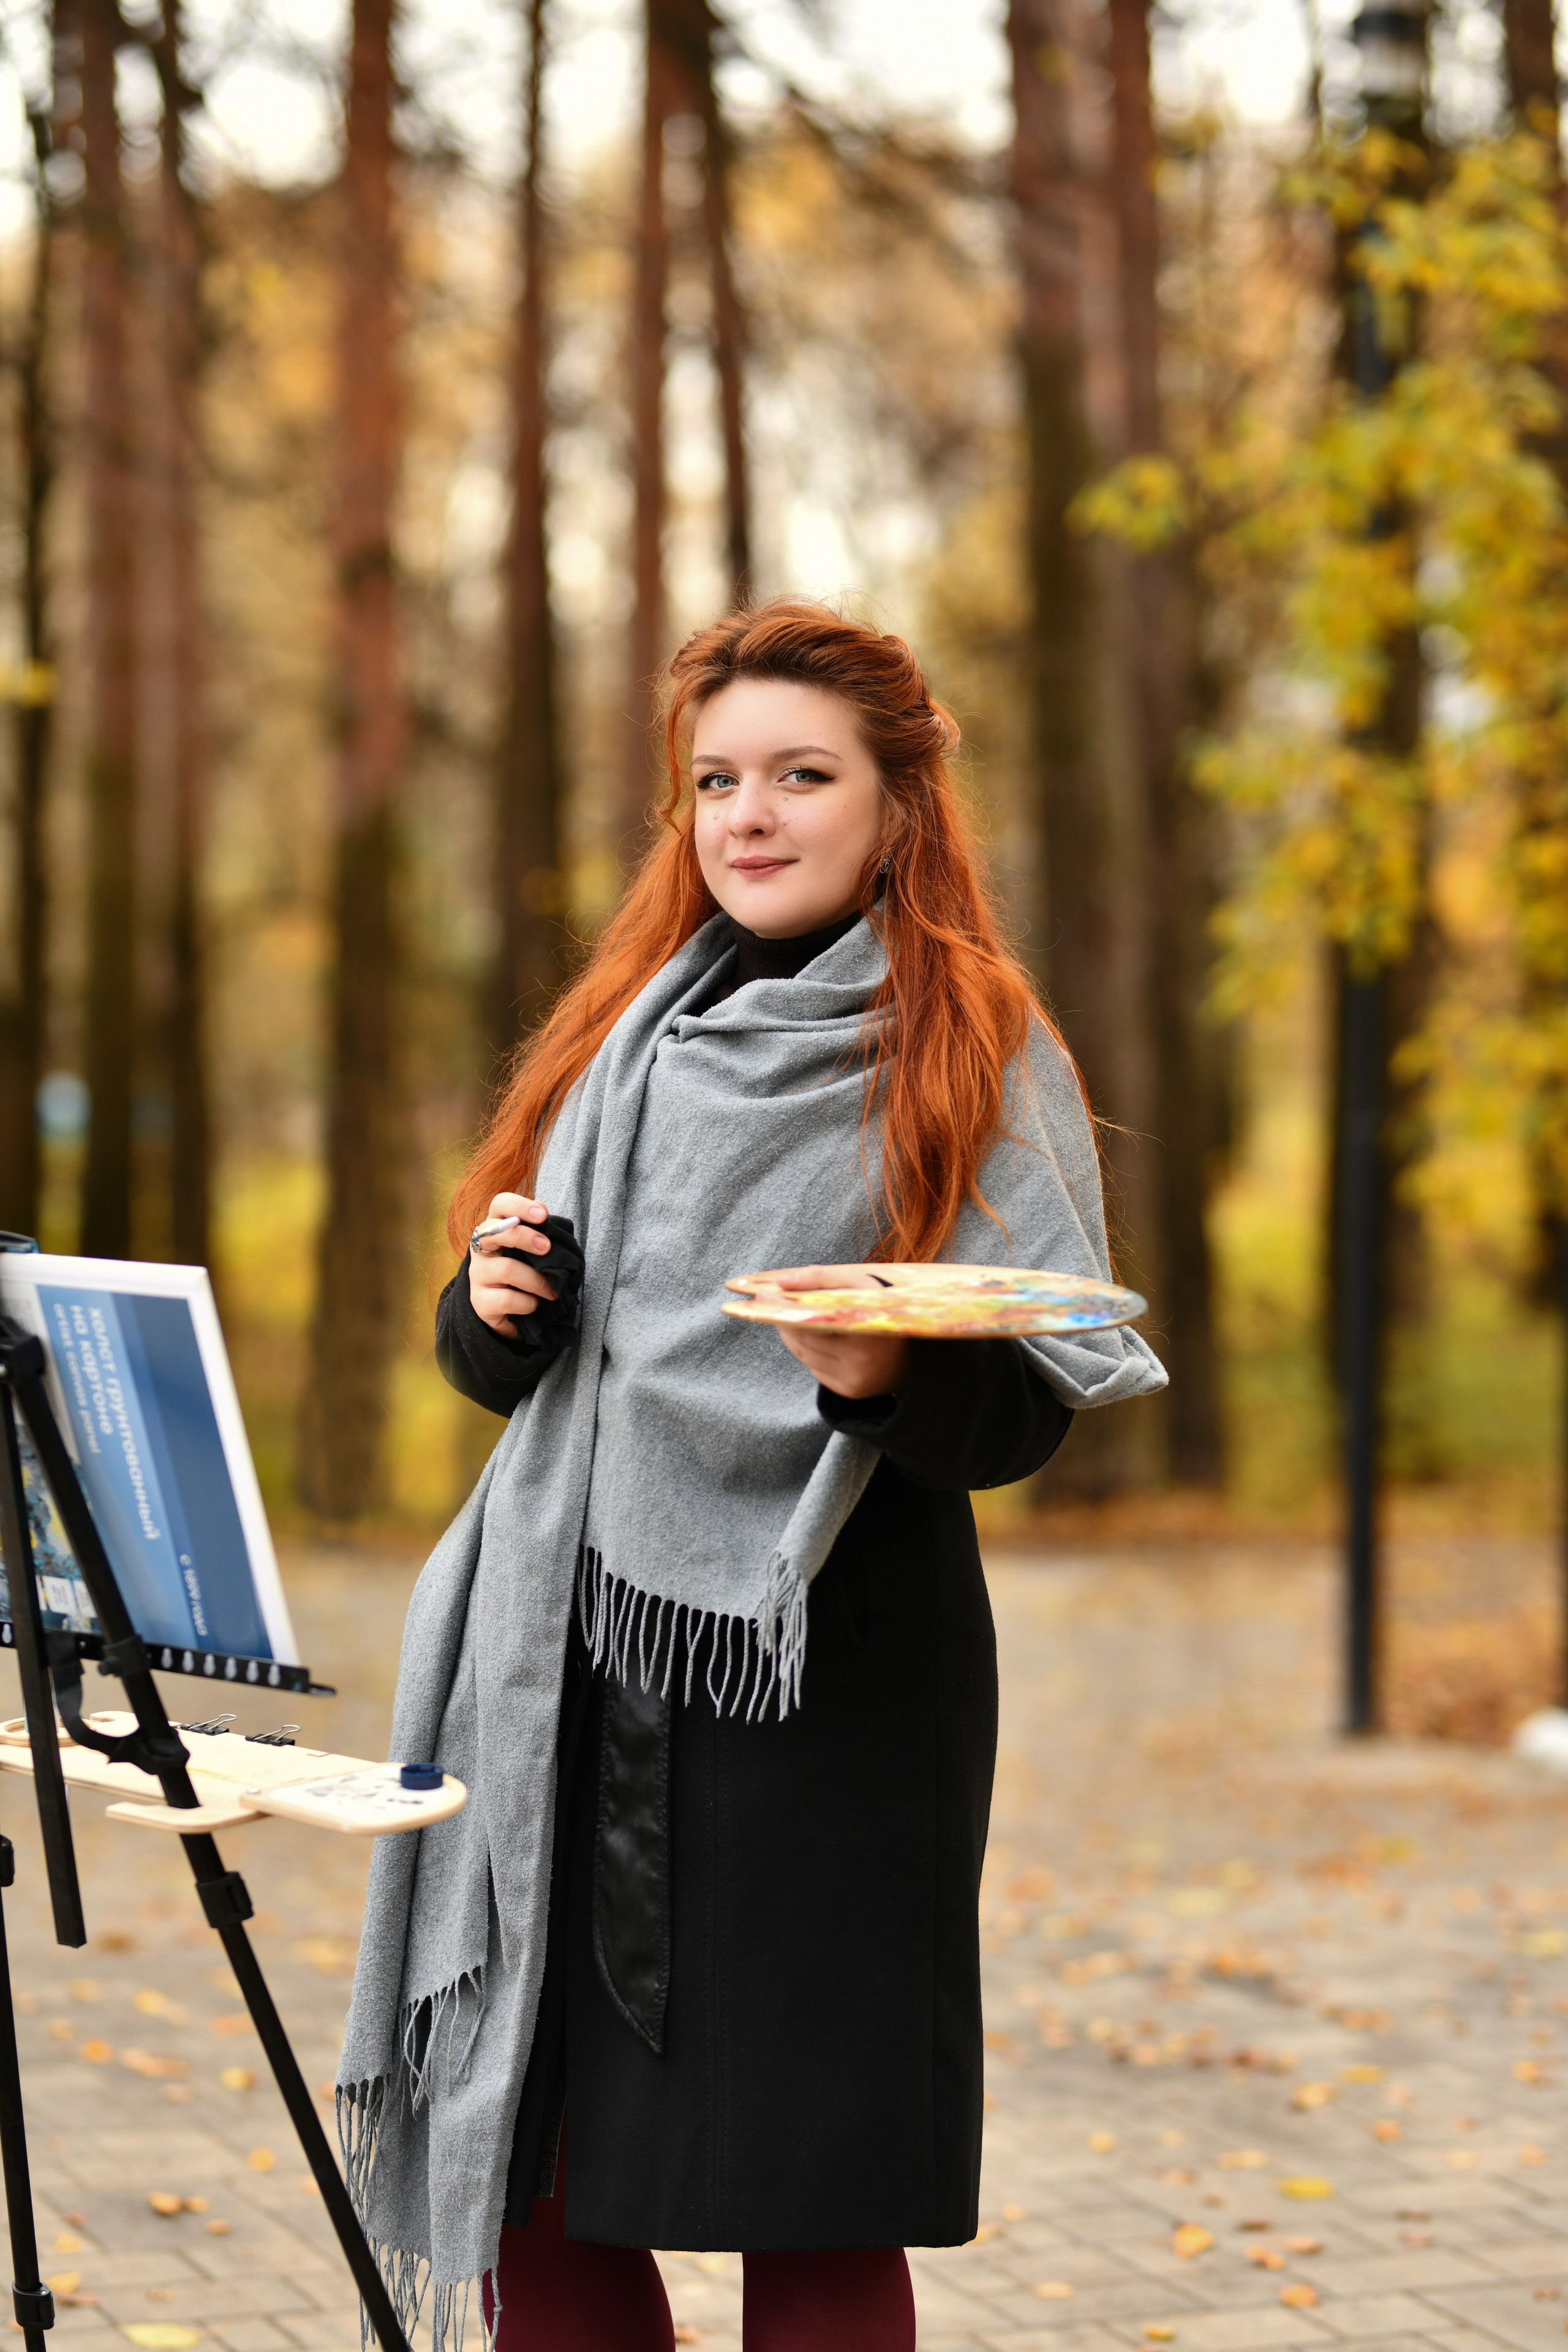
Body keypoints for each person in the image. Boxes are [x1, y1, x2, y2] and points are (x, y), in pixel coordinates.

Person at [336, 600, 1167, 2352]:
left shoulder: (969, 1045)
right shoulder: (624, 1035)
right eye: (716, 781)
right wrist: (488, 1312)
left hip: (829, 1689)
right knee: (540, 2187)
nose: (751, 816)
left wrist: (882, 1384)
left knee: (815, 2199)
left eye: (802, 775)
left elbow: (1030, 1406)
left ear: (896, 805)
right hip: (563, 1674)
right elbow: (535, 1371)